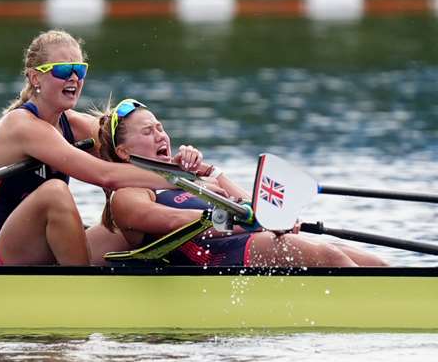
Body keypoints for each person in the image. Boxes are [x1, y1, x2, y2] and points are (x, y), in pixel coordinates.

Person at [87, 98, 388, 268]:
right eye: (148, 131)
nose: (161, 136)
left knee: (375, 263)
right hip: (220, 257)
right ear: (124, 152)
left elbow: (255, 205)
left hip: (249, 242)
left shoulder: (192, 180)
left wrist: (211, 173)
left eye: (161, 128)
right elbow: (167, 221)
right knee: (331, 257)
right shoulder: (128, 194)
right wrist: (242, 220)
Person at [0, 30, 171, 266]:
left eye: (80, 70)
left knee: (127, 234)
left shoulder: (71, 123)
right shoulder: (20, 125)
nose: (74, 78)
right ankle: (82, 289)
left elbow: (133, 151)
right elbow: (104, 175)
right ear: (35, 78)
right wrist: (170, 177)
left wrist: (190, 168)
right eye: (64, 70)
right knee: (54, 192)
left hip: (43, 251)